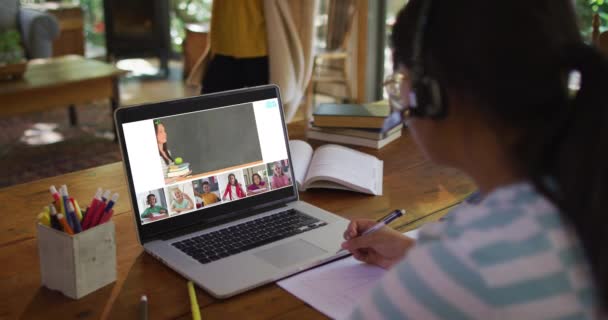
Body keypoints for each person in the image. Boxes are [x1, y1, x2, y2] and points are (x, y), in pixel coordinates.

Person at [341, 1, 606, 318]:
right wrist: (414, 254)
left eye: (400, 81)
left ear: (432, 94)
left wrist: (435, 271)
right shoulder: (582, 194)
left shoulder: (464, 264)